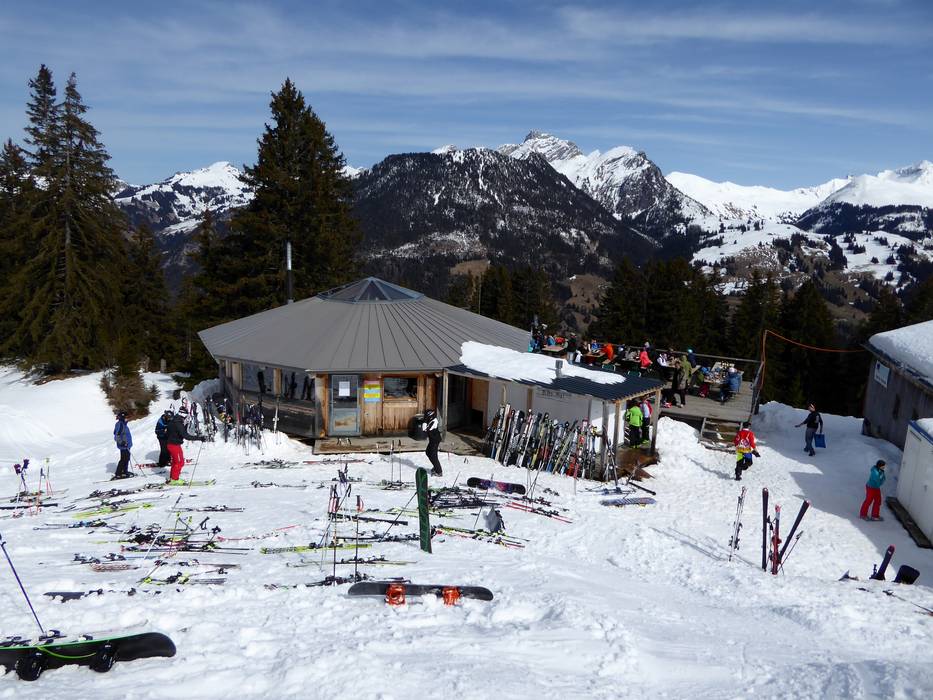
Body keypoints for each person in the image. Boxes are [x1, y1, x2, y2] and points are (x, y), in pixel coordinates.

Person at [165, 406, 205, 484]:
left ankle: (173, 477)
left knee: (176, 462)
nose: (186, 417)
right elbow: (186, 436)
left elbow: (169, 432)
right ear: (183, 415)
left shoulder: (174, 420)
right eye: (186, 415)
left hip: (173, 444)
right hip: (174, 445)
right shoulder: (178, 423)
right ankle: (174, 479)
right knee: (180, 462)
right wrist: (199, 438)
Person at [112, 411, 134, 479]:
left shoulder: (123, 424)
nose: (127, 419)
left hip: (127, 445)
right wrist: (122, 443)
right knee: (123, 459)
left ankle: (124, 471)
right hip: (124, 446)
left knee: (126, 459)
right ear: (122, 418)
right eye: (126, 417)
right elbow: (116, 436)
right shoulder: (120, 425)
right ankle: (118, 473)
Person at [422, 409, 443, 476]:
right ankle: (436, 467)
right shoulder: (430, 420)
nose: (425, 417)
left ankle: (439, 472)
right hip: (432, 440)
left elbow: (425, 429)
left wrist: (425, 421)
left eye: (426, 416)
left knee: (433, 456)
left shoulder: (434, 422)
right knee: (428, 452)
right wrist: (425, 420)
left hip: (435, 440)